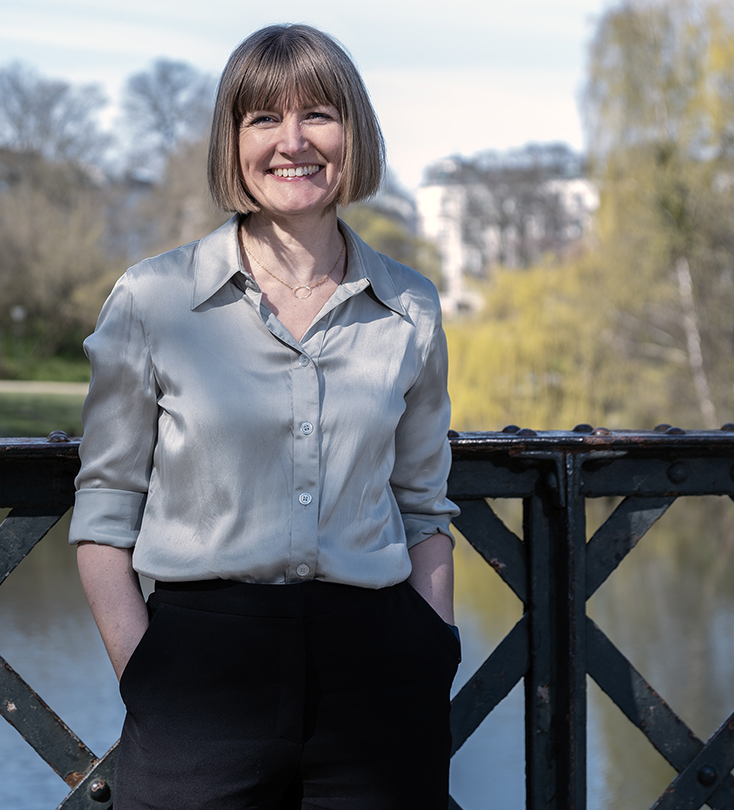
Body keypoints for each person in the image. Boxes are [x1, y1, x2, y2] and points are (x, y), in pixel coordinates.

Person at [70, 22, 460, 810]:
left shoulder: (411, 307)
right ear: (233, 141)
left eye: (319, 114)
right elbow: (106, 508)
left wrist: (433, 648)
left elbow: (423, 506)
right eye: (264, 119)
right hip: (197, 681)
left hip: (380, 677)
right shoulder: (152, 300)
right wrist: (146, 677)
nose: (293, 141)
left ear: (353, 132)